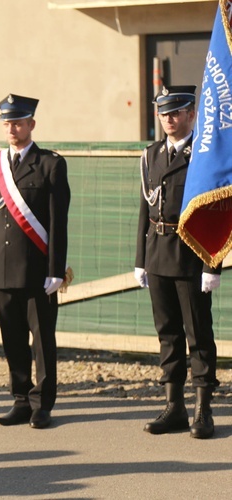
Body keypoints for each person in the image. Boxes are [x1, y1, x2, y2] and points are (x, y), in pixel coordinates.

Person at [0, 94, 70, 429]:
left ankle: (42, 403)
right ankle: (20, 398)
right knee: (11, 338)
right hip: (1, 268)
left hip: (36, 270)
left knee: (42, 339)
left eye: (18, 122)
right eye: (7, 123)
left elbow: (59, 223)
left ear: (31, 124)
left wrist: (56, 271)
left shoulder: (50, 164)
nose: (12, 128)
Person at [135, 86, 220, 439]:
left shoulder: (204, 155)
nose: (169, 118)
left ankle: (203, 409)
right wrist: (140, 259)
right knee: (167, 334)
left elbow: (217, 212)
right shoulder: (152, 154)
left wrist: (212, 263)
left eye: (176, 112)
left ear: (191, 113)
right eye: (163, 112)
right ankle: (174, 406)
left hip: (191, 254)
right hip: (157, 253)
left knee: (197, 334)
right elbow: (145, 208)